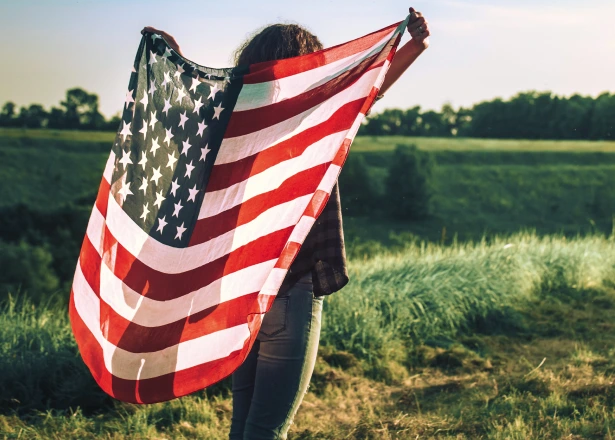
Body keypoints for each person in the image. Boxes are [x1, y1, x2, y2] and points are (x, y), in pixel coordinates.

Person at [143, 7, 430, 439]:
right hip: (292, 289)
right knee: (265, 430)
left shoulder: (233, 121)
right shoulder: (316, 118)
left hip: (239, 294)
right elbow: (371, 90)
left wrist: (172, 58)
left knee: (244, 426)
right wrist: (415, 44)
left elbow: (192, 105)